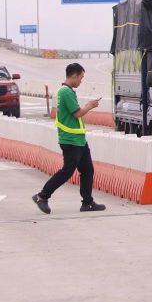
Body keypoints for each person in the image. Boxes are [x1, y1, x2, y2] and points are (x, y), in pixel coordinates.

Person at [32, 63, 105, 214]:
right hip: (70, 140)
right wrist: (90, 105)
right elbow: (77, 113)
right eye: (81, 77)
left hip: (78, 139)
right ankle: (42, 196)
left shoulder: (67, 91)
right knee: (67, 171)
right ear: (73, 75)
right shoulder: (66, 92)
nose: (81, 81)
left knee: (87, 170)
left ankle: (87, 202)